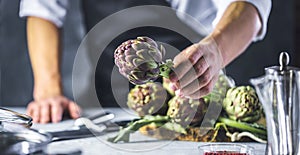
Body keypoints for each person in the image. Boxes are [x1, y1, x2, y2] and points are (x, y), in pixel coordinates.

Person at [19, 0, 271, 123]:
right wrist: (48, 90)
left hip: (196, 100)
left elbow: (248, 6)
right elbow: (43, 9)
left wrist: (215, 50)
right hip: (105, 103)